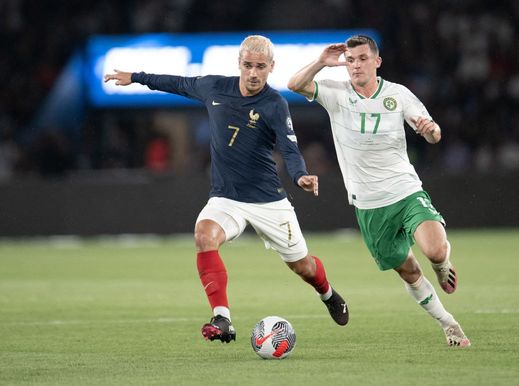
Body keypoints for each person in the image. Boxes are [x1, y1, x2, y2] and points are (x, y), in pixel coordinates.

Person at [104, 35, 349, 343]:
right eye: (248, 65)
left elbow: (289, 148)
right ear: (239, 64)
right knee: (204, 235)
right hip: (226, 197)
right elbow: (177, 83)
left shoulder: (274, 104)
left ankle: (328, 294)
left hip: (268, 200)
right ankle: (222, 318)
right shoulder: (215, 87)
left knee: (304, 267)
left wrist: (300, 175)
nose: (253, 73)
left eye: (260, 67)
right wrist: (136, 77)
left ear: (271, 67)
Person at [288, 35, 470, 347]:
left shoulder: (398, 95)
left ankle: (442, 266)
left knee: (435, 251)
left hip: (406, 190)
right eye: (350, 60)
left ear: (377, 61)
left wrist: (431, 131)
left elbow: (433, 134)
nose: (355, 65)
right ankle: (448, 323)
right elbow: (294, 84)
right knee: (409, 271)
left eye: (361, 59)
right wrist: (321, 62)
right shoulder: (336, 93)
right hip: (369, 205)